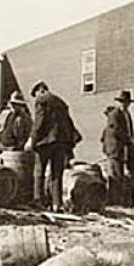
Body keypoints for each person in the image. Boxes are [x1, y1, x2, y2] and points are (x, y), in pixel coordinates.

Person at [27, 80, 78, 212]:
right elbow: (68, 123)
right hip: (61, 143)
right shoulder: (61, 102)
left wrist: (32, 140)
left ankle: (38, 200)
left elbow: (39, 122)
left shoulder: (41, 100)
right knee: (57, 174)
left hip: (45, 143)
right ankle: (57, 204)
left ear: (40, 90)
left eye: (36, 94)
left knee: (39, 172)